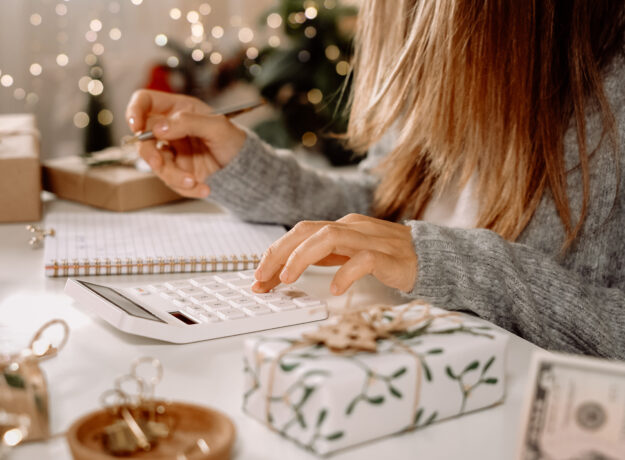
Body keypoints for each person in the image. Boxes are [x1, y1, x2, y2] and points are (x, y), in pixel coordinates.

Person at [126, 0, 625, 360]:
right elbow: (382, 200)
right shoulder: (443, 56)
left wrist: (447, 262)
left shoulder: (610, 99)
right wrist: (239, 163)